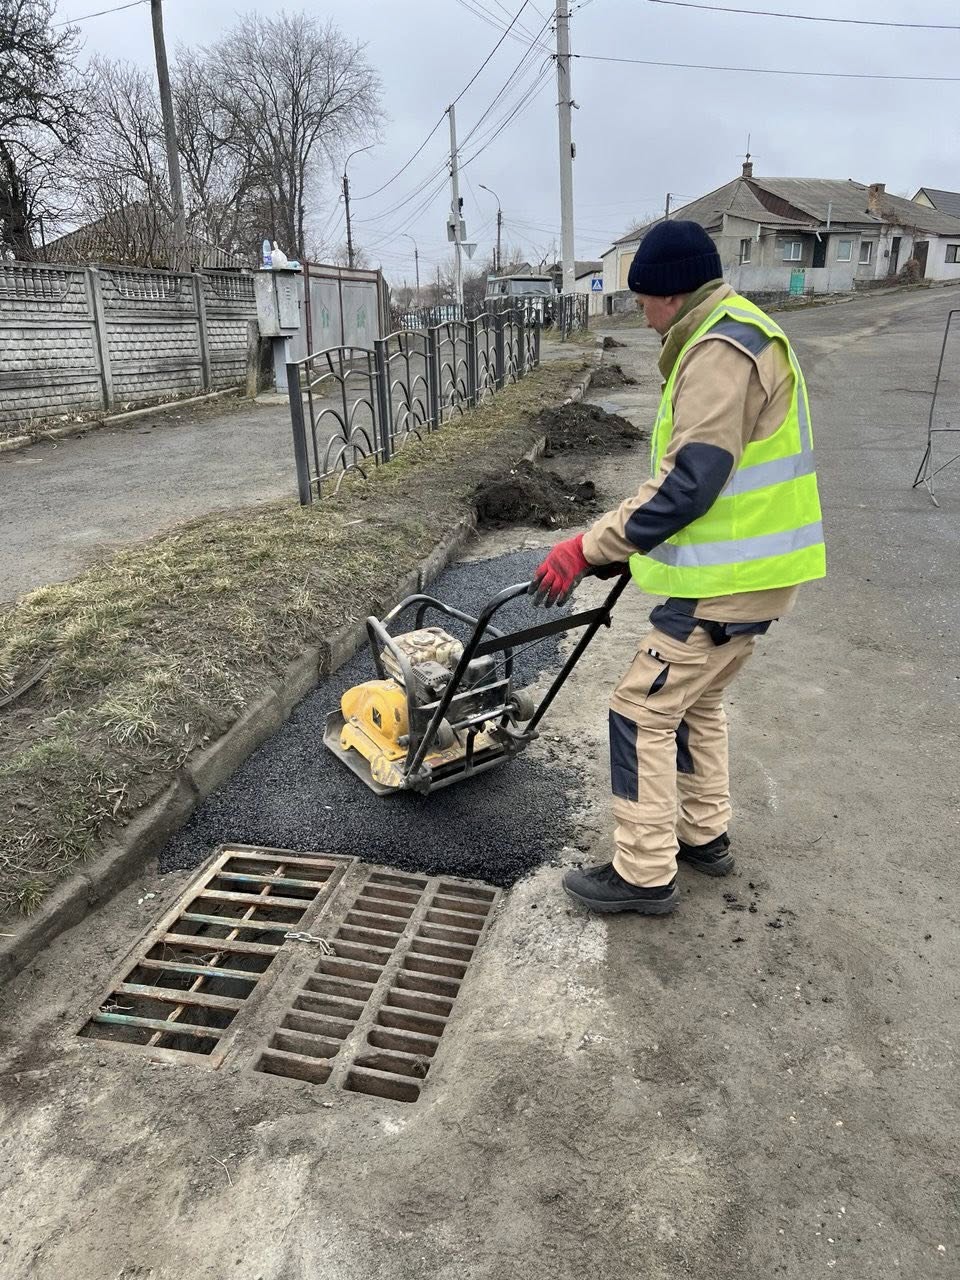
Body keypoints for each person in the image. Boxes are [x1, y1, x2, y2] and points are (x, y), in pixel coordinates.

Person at [530, 220, 825, 915]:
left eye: (643, 301)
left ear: (670, 293)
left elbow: (690, 484)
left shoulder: (720, 350)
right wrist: (613, 542)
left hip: (721, 583)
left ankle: (642, 872)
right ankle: (701, 835)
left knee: (639, 711)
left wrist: (588, 548)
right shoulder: (738, 330)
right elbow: (689, 479)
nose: (642, 313)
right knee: (696, 705)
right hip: (753, 577)